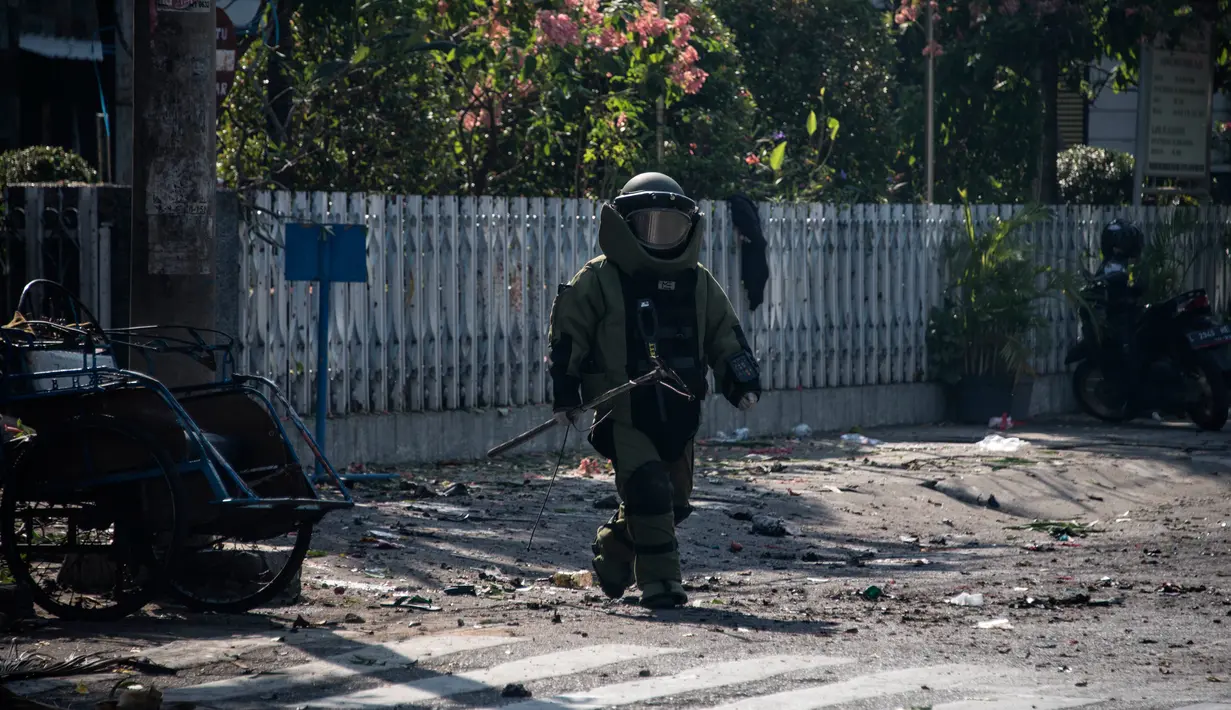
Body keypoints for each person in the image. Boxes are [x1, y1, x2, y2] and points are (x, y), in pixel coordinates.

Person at [547, 172, 761, 609]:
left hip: (681, 412)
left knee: (672, 503)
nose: (659, 236)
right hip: (622, 408)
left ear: (689, 227)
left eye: (670, 226)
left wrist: (741, 381)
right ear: (623, 225)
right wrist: (565, 392)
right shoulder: (599, 278)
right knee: (646, 489)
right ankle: (663, 585)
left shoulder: (698, 282)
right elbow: (568, 335)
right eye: (647, 225)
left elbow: (726, 335)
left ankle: (613, 553)